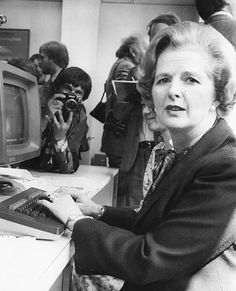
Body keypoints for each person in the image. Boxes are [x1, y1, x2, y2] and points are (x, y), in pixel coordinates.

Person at [38, 22, 236, 290]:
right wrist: (98, 211)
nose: (173, 90)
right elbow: (159, 223)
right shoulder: (185, 152)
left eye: (191, 79)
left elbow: (150, 258)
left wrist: (76, 220)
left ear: (218, 93)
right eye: (163, 79)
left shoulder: (226, 167)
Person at [20, 66, 91, 174]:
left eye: (78, 92)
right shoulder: (39, 98)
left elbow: (69, 167)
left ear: (83, 98)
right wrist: (45, 118)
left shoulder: (79, 114)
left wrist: (60, 138)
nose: (71, 95)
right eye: (67, 88)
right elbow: (21, 150)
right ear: (57, 88)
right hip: (25, 168)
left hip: (52, 172)